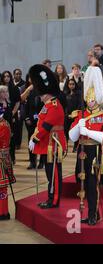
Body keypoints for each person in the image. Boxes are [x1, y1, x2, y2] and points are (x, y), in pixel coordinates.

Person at [69, 66, 103, 226]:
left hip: (95, 151)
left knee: (92, 184)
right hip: (82, 152)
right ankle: (89, 213)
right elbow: (72, 136)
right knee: (82, 182)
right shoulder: (80, 114)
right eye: (88, 97)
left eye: (93, 97)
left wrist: (86, 130)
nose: (90, 100)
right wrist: (77, 127)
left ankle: (93, 214)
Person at [28, 64, 67, 209]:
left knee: (54, 174)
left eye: (42, 94)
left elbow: (46, 126)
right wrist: (35, 136)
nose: (40, 96)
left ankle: (54, 200)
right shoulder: (47, 105)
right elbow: (40, 123)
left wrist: (35, 138)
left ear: (47, 94)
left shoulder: (54, 105)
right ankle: (51, 198)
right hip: (48, 144)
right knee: (49, 173)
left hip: (54, 144)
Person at [23, 75, 43, 170]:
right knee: (31, 141)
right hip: (31, 120)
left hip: (42, 120)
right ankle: (32, 161)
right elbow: (24, 106)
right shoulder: (29, 90)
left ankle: (42, 162)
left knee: (42, 140)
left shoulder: (43, 90)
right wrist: (26, 118)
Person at [1, 71, 20, 165]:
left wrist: (13, 112)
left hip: (12, 114)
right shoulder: (1, 88)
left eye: (8, 76)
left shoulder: (14, 88)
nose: (6, 78)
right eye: (4, 76)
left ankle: (12, 157)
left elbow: (17, 102)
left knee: (11, 137)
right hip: (2, 115)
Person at [0, 105, 16, 221]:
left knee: (2, 188)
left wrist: (5, 162)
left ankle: (3, 212)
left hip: (1, 160)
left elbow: (5, 147)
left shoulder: (3, 126)